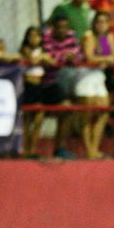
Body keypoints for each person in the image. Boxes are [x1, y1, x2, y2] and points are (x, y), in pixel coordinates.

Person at [75, 11, 114, 159]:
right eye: (98, 21)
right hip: (86, 76)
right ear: (94, 23)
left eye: (105, 22)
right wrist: (106, 59)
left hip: (98, 76)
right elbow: (89, 57)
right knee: (87, 115)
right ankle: (89, 150)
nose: (101, 24)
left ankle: (94, 149)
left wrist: (103, 59)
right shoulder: (89, 36)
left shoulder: (108, 37)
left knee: (104, 111)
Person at [42, 14, 83, 159]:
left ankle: (89, 151)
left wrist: (71, 57)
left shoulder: (104, 38)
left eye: (65, 27)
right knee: (68, 107)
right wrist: (66, 57)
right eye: (59, 27)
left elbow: (80, 55)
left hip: (79, 78)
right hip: (51, 81)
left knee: (98, 105)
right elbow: (50, 57)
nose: (62, 30)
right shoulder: (47, 37)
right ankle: (60, 147)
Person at [19, 26, 56, 159]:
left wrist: (45, 57)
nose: (34, 38)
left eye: (37, 36)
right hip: (28, 85)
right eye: (31, 36)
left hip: (40, 85)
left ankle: (33, 148)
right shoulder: (25, 49)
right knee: (27, 119)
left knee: (38, 119)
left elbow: (53, 61)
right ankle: (25, 149)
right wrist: (43, 57)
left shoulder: (44, 50)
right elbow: (33, 60)